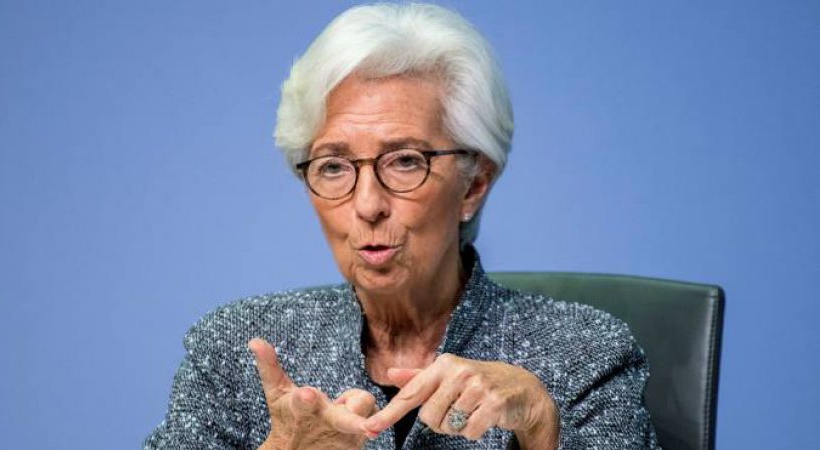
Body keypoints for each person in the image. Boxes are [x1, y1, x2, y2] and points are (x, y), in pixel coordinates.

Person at [144, 3, 660, 449]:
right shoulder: (237, 349)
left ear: (474, 184)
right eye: (333, 166)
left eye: (406, 161)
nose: (368, 205)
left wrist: (541, 426)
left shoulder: (584, 351)